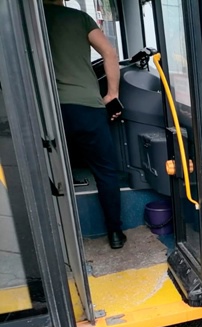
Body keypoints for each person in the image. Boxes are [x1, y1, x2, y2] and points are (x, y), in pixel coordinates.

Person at [43, 0, 126, 249]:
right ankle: (115, 233)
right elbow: (110, 53)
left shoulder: (27, 19)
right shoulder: (79, 18)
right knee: (105, 171)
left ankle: (54, 240)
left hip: (48, 109)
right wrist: (112, 94)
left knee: (47, 170)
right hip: (87, 107)